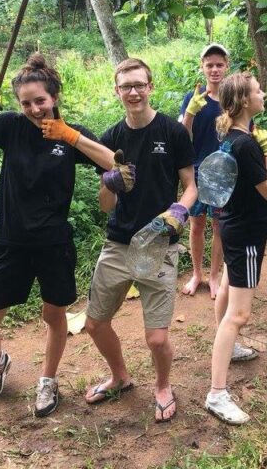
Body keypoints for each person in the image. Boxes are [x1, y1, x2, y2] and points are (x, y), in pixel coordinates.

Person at [0, 53, 127, 417]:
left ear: (53, 97)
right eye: (26, 103)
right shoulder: (9, 125)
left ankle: (48, 379)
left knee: (53, 316)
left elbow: (114, 163)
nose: (34, 109)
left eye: (40, 101)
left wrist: (70, 136)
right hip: (11, 243)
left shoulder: (70, 134)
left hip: (54, 244)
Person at [83, 58, 197, 423]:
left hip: (159, 241)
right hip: (117, 243)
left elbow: (191, 185)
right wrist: (109, 183)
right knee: (95, 323)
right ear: (117, 92)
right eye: (125, 86)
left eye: (139, 85)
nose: (133, 92)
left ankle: (163, 386)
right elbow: (105, 206)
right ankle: (120, 377)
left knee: (158, 339)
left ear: (150, 87)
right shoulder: (111, 139)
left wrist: (180, 210)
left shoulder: (173, 132)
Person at [204, 73, 267, 425]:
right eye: (257, 90)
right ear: (245, 102)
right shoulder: (248, 145)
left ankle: (229, 346)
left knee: (229, 296)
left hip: (234, 227)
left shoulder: (232, 137)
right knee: (240, 314)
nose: (263, 93)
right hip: (247, 233)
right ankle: (217, 393)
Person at [179, 43, 229, 299]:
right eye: (209, 64)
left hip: (223, 175)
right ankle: (197, 273)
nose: (214, 69)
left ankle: (214, 276)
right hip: (197, 172)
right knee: (196, 225)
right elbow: (182, 139)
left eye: (219, 64)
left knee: (219, 225)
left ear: (226, 66)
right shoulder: (193, 97)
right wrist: (189, 114)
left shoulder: (233, 99)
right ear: (202, 67)